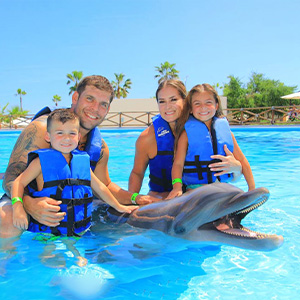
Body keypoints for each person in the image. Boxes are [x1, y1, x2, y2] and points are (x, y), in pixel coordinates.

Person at [0, 75, 158, 238]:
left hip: (66, 210)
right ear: (75, 98)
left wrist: (134, 198)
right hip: (25, 199)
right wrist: (28, 204)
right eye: (90, 99)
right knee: (6, 219)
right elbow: (11, 178)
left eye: (103, 104)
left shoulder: (100, 148)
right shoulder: (42, 130)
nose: (95, 109)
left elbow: (105, 185)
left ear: (107, 110)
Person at [11, 109, 137, 235]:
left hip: (78, 229)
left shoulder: (82, 162)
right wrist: (17, 206)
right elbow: (18, 183)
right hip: (48, 231)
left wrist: (119, 207)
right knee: (48, 254)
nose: (66, 138)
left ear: (78, 137)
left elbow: (100, 188)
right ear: (48, 136)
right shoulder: (40, 162)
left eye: (72, 133)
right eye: (60, 133)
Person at [128, 80, 243, 200]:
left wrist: (237, 169)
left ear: (185, 101)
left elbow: (236, 172)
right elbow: (137, 173)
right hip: (162, 200)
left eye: (173, 99)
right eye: (162, 101)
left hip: (199, 197)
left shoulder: (207, 129)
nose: (168, 106)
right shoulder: (147, 138)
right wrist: (132, 199)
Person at [166, 83, 255, 200]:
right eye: (197, 104)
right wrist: (177, 187)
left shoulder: (227, 133)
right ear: (191, 109)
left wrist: (252, 189)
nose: (203, 107)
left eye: (208, 102)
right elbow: (178, 164)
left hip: (223, 188)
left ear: (216, 106)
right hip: (196, 190)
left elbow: (243, 161)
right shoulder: (186, 134)